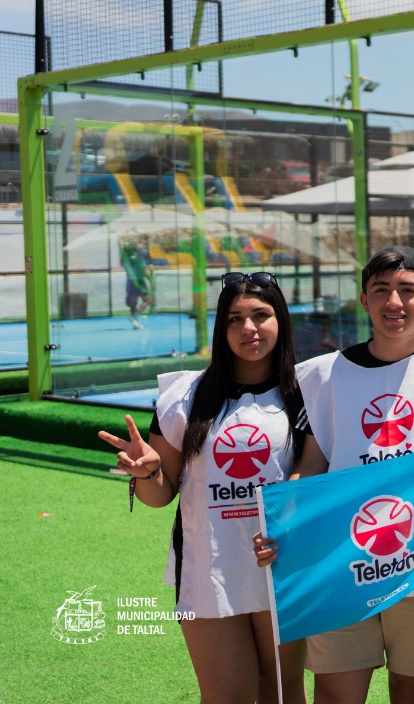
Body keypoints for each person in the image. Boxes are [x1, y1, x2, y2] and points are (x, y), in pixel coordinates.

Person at [256, 245, 414, 704]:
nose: (395, 302)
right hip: (341, 560)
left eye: (407, 290)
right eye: (381, 290)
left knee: (413, 695)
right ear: (364, 300)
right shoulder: (324, 375)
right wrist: (281, 523)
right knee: (335, 692)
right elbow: (311, 466)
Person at [97, 271, 307, 704]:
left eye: (261, 315)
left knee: (283, 695)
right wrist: (148, 473)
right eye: (234, 318)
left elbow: (316, 474)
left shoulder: (307, 392)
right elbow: (160, 495)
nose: (248, 328)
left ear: (281, 321)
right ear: (220, 328)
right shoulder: (183, 396)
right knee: (226, 696)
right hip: (207, 570)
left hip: (283, 566)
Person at [121, 238, 154, 329]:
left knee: (132, 304)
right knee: (148, 300)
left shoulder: (125, 259)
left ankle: (135, 323)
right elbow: (143, 270)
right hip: (139, 281)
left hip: (130, 282)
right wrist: (150, 281)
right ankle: (134, 316)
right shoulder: (138, 257)